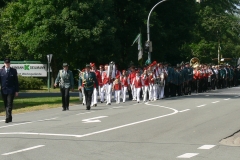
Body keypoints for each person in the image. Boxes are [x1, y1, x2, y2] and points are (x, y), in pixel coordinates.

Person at [0, 58, 19, 123]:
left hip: (11, 90)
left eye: (8, 63)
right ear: (4, 64)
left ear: (9, 63)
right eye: (6, 63)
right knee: (6, 104)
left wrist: (16, 91)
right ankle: (9, 117)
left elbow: (16, 81)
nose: (7, 64)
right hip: (3, 90)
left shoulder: (13, 71)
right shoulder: (1, 71)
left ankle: (7, 117)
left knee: (9, 103)